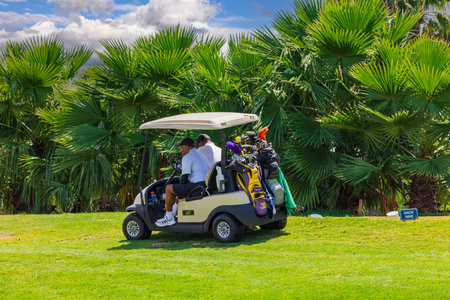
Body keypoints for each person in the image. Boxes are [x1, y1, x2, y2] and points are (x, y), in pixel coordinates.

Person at [155, 137, 211, 227]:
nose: (180, 150)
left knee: (169, 188)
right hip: (204, 185)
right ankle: (173, 214)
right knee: (178, 190)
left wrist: (178, 193)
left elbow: (184, 178)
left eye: (181, 147)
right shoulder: (200, 155)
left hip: (198, 187)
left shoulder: (187, 157)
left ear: (187, 147)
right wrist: (179, 193)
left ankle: (169, 218)